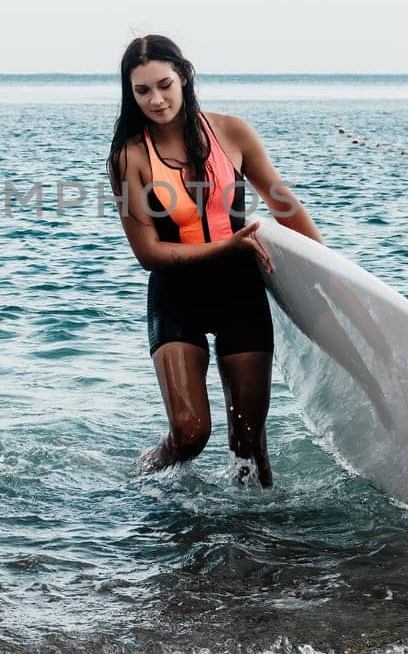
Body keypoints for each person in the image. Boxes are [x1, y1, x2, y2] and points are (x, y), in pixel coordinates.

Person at [107, 35, 323, 488]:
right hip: (176, 293)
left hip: (240, 291)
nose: (156, 99)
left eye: (164, 84)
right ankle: (136, 479)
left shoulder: (232, 133)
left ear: (184, 76)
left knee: (248, 442)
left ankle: (255, 544)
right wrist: (227, 246)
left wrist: (330, 279)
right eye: (142, 91)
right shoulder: (130, 156)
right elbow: (148, 254)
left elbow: (285, 207)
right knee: (189, 435)